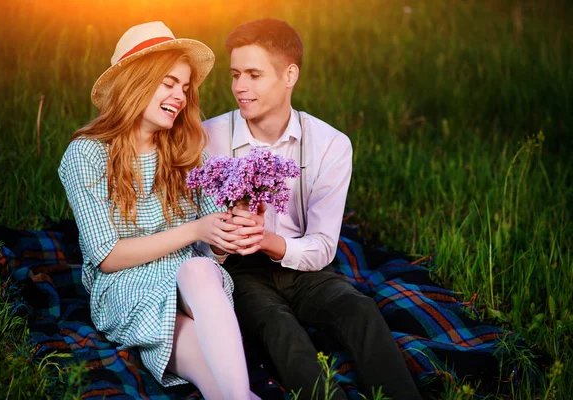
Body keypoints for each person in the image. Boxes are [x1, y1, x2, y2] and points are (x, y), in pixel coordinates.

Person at [203, 19, 422, 400]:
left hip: (302, 262)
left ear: (290, 75)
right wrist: (226, 240)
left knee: (360, 309)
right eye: (235, 74)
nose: (240, 87)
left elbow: (322, 245)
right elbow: (199, 244)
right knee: (277, 325)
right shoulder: (208, 138)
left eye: (254, 75)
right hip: (239, 270)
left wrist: (270, 239)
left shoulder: (330, 144)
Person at [58, 21, 262, 400]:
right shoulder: (86, 154)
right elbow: (107, 256)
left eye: (185, 88)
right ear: (136, 83)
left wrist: (232, 228)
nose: (180, 97)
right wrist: (197, 231)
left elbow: (213, 248)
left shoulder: (187, 147)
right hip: (125, 287)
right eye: (169, 84)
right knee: (224, 385)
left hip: (193, 281)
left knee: (200, 268)